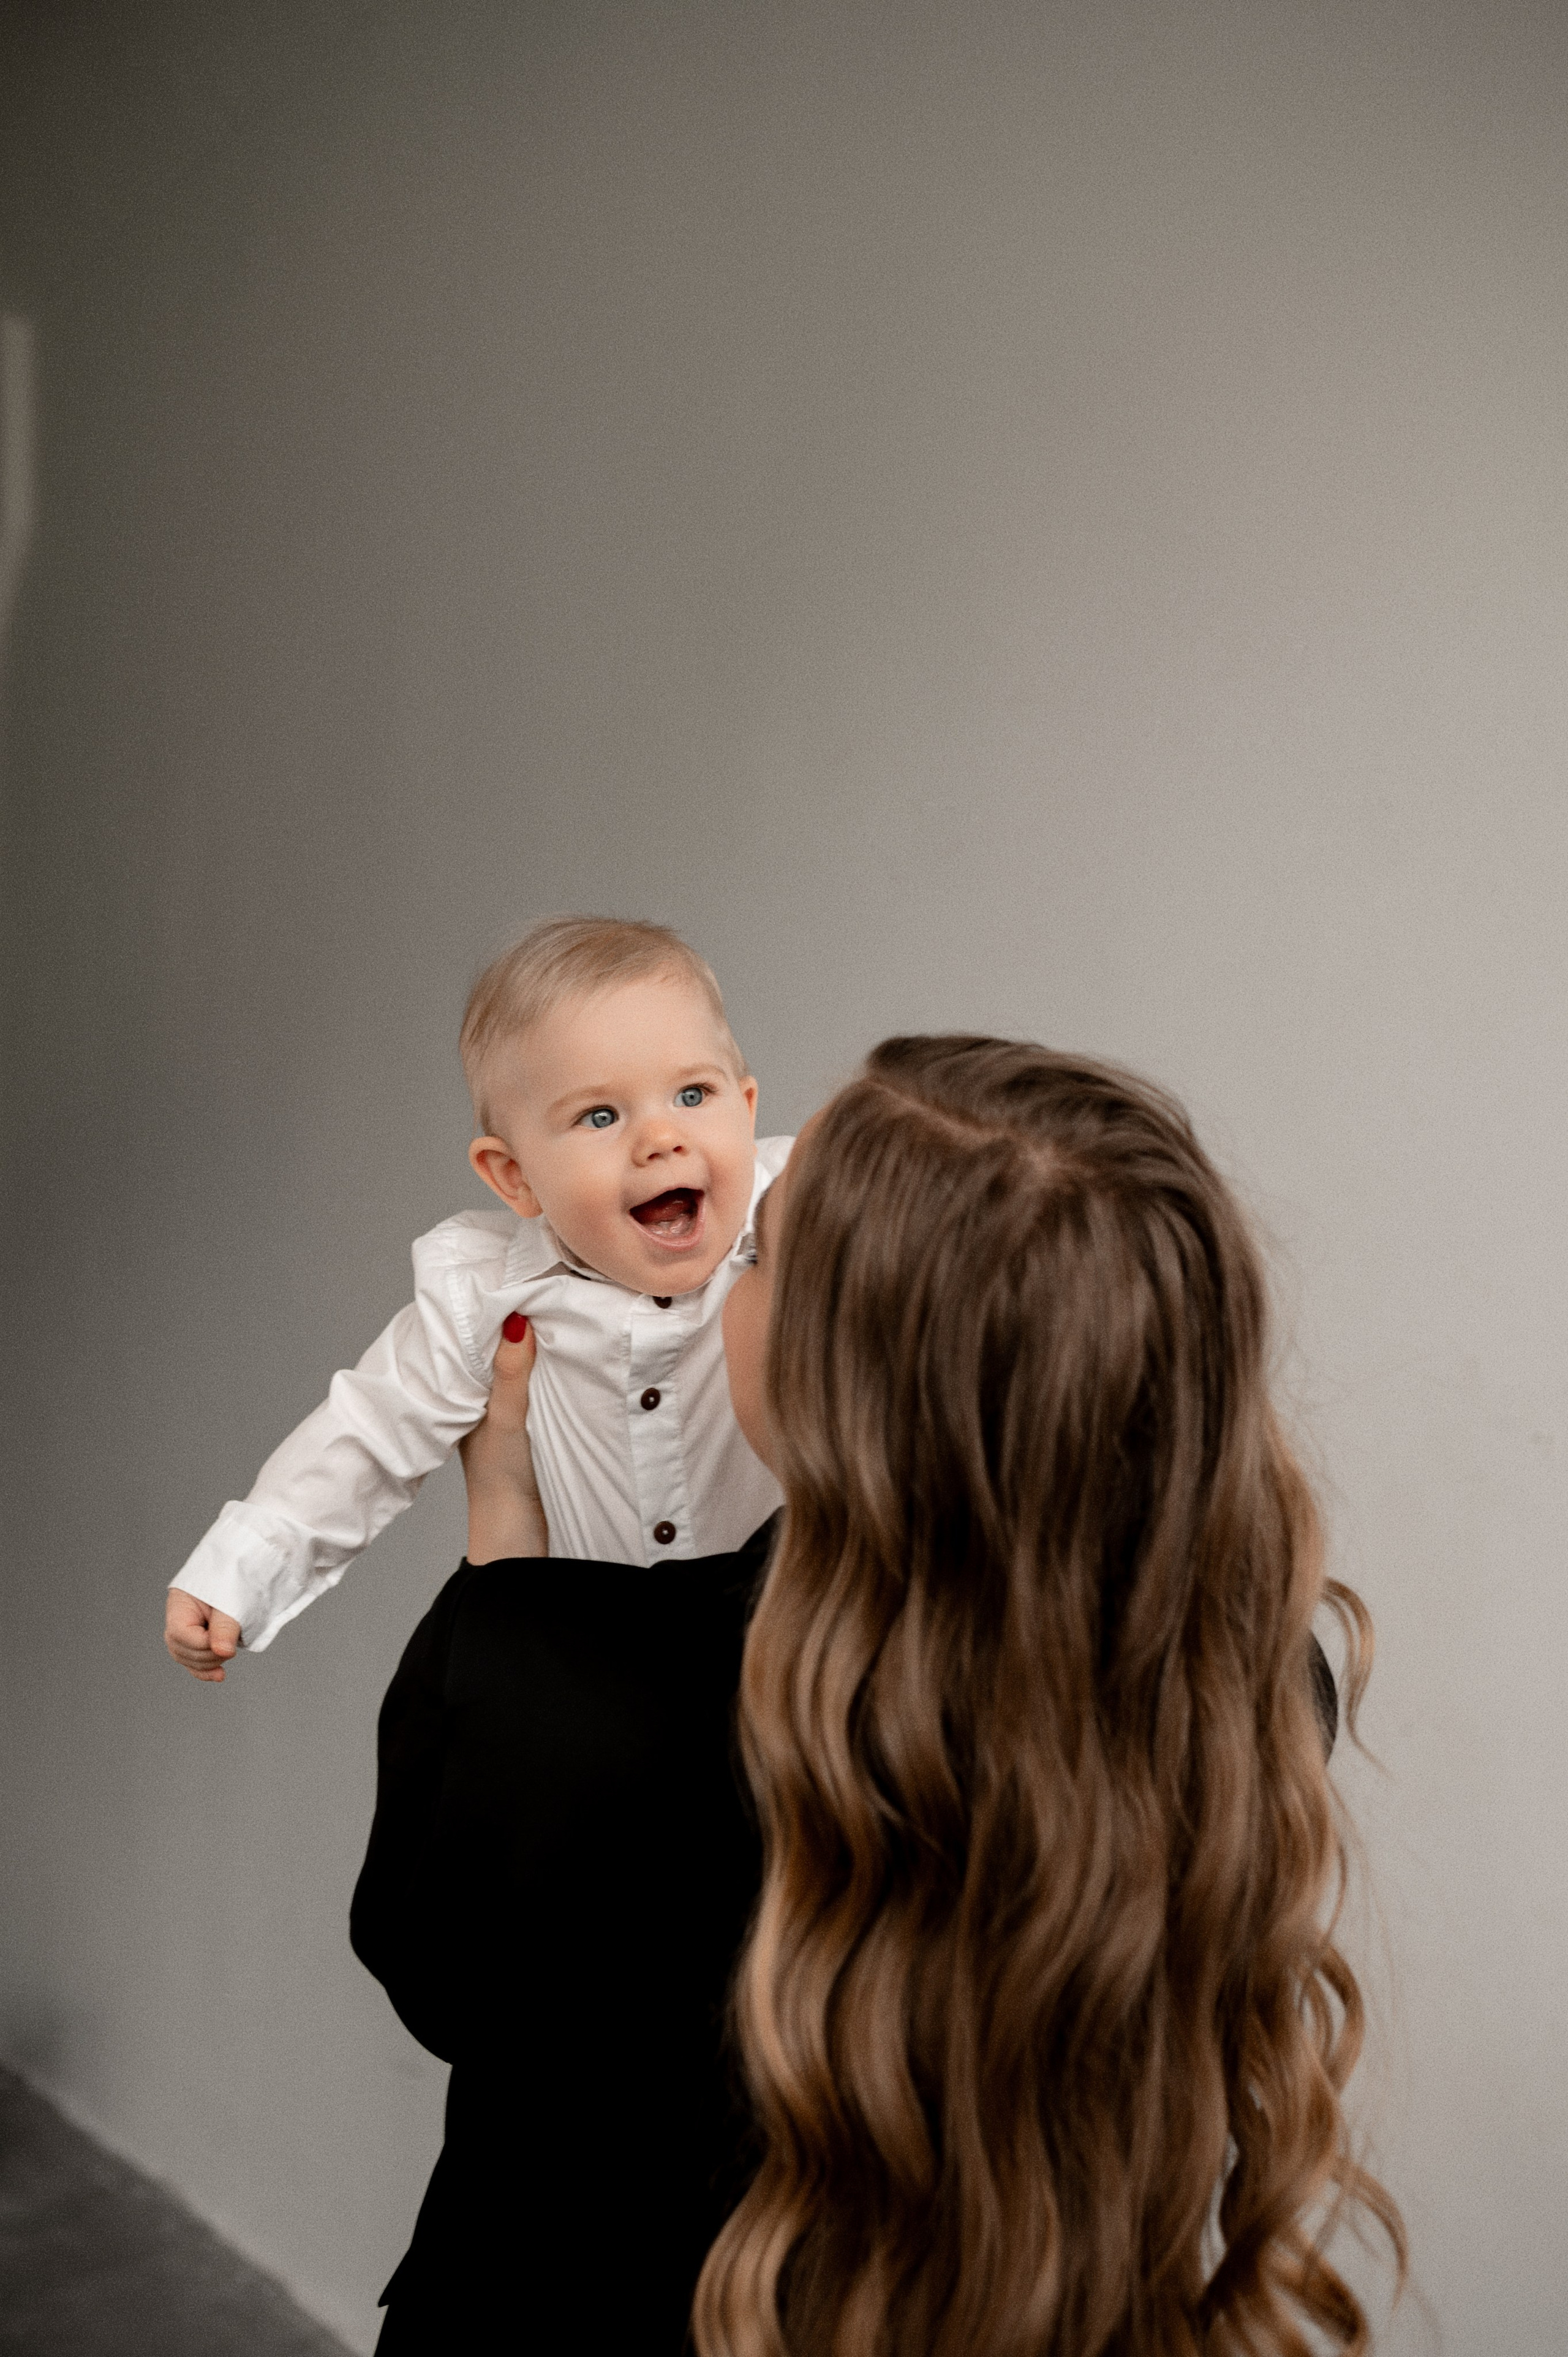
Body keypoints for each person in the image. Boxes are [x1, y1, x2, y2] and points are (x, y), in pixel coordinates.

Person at [698, 1036, 1404, 2356]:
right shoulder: (1253, 1696)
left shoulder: (585, 1702)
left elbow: (433, 1961)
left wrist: (505, 1555)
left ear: (843, 1380)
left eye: (755, 1254)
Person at [162, 915, 791, 1680]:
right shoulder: (487, 1292)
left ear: (746, 1108)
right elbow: (369, 1430)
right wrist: (241, 1570)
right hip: (599, 1669)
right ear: (514, 1177)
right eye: (600, 1115)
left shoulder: (804, 1219)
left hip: (801, 1645)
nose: (661, 1138)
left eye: (693, 1093)